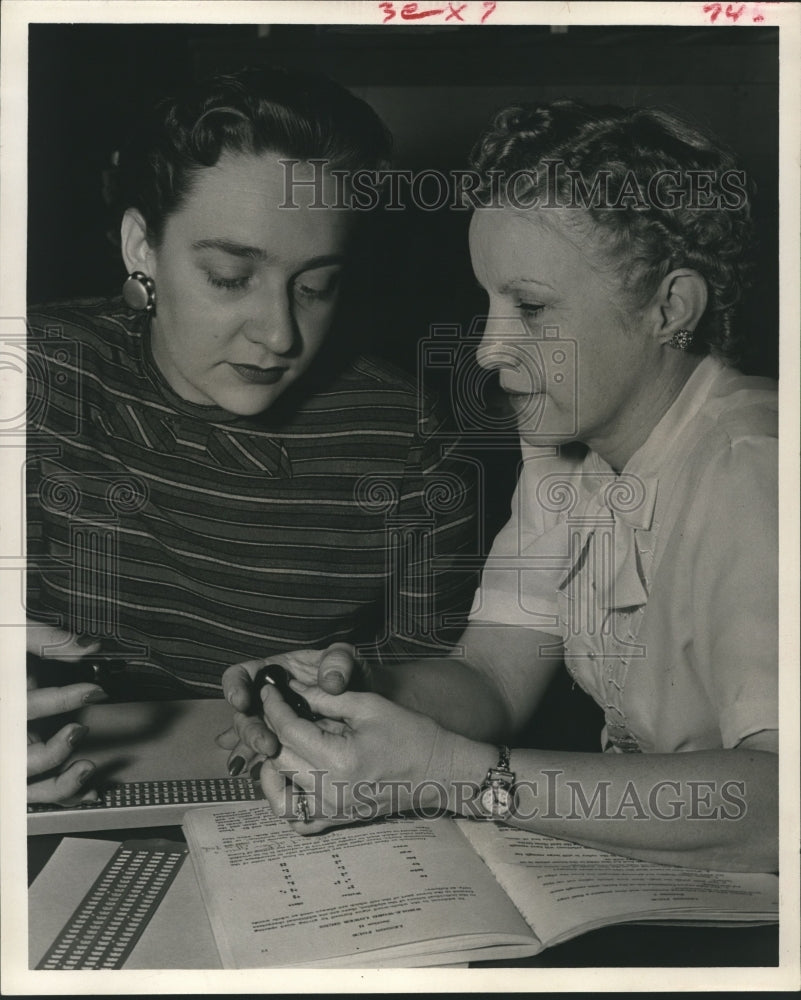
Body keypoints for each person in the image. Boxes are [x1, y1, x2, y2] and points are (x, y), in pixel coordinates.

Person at [223, 100, 778, 873]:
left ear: (668, 309)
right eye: (488, 301)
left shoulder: (756, 469)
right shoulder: (567, 450)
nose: (487, 349)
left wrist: (458, 776)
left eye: (532, 307)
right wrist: (348, 696)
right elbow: (489, 677)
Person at [25, 67, 478, 804]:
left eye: (315, 285)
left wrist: (348, 695)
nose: (279, 334)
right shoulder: (31, 376)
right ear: (142, 247)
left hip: (294, 814)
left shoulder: (413, 442)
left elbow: (447, 692)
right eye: (231, 276)